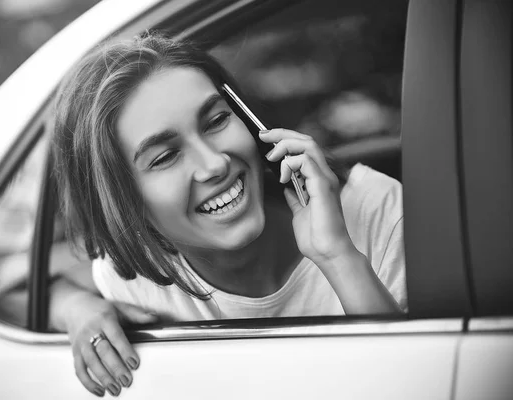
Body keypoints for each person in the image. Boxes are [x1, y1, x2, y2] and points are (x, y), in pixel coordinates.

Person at [49, 32, 407, 398]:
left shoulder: (377, 209)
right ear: (122, 203)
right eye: (164, 157)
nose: (215, 163)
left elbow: (418, 379)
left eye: (216, 120)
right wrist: (76, 308)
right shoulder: (133, 277)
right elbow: (7, 283)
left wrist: (338, 257)